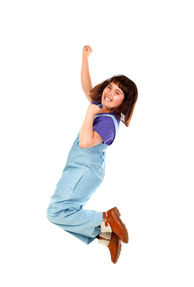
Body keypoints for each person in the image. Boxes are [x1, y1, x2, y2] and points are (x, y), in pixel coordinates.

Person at [47, 45, 138, 264]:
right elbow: (88, 89)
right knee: (63, 211)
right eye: (110, 86)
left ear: (122, 103)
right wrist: (84, 58)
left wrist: (90, 113)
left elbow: (87, 142)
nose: (109, 92)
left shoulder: (108, 122)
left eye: (117, 93)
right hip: (79, 169)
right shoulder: (102, 108)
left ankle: (105, 219)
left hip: (84, 172)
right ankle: (107, 236)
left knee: (56, 212)